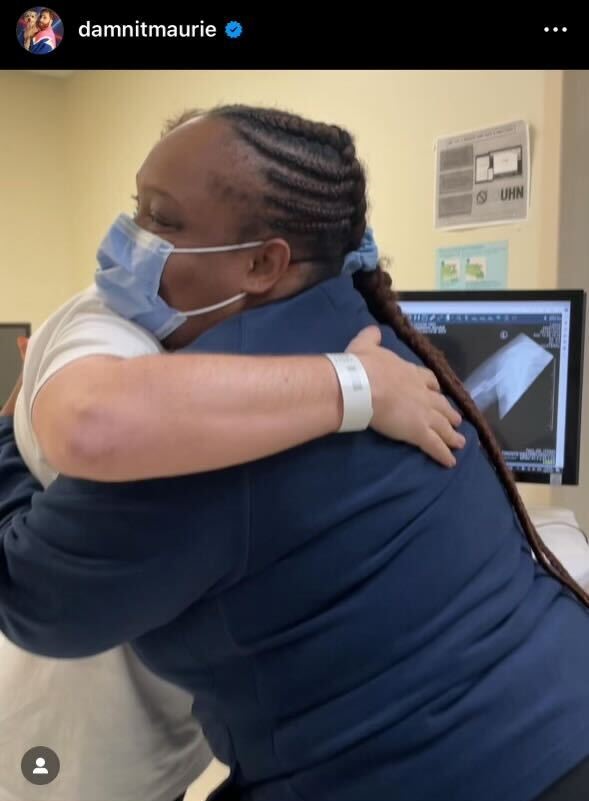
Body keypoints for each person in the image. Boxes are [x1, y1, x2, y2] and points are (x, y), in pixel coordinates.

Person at [2, 104, 588, 801]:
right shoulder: (378, 331)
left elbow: (35, 601)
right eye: (135, 208)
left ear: (262, 262)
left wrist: (15, 429)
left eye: (161, 219)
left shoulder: (204, 428)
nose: (128, 240)